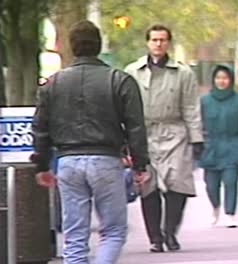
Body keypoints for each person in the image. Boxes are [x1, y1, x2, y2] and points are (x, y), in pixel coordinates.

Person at [32, 20, 148, 264]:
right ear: (99, 45)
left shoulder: (53, 84)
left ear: (71, 46)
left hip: (67, 162)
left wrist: (42, 165)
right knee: (114, 230)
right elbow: (136, 126)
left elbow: (41, 128)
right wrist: (139, 165)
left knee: (74, 235)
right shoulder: (120, 80)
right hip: (106, 159)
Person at [125, 24, 204, 253]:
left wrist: (196, 138)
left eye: (162, 40)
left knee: (177, 185)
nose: (158, 44)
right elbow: (126, 108)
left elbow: (191, 107)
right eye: (154, 40)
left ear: (168, 43)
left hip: (175, 131)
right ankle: (155, 238)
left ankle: (170, 232)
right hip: (145, 133)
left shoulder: (183, 73)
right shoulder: (133, 71)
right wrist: (125, 139)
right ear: (147, 42)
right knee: (148, 187)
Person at [199, 64, 238, 228]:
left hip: (232, 147)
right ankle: (215, 206)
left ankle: (230, 213)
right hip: (210, 148)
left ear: (230, 80)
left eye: (224, 78)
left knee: (231, 182)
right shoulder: (204, 101)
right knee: (211, 185)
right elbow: (196, 123)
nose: (221, 81)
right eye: (218, 78)